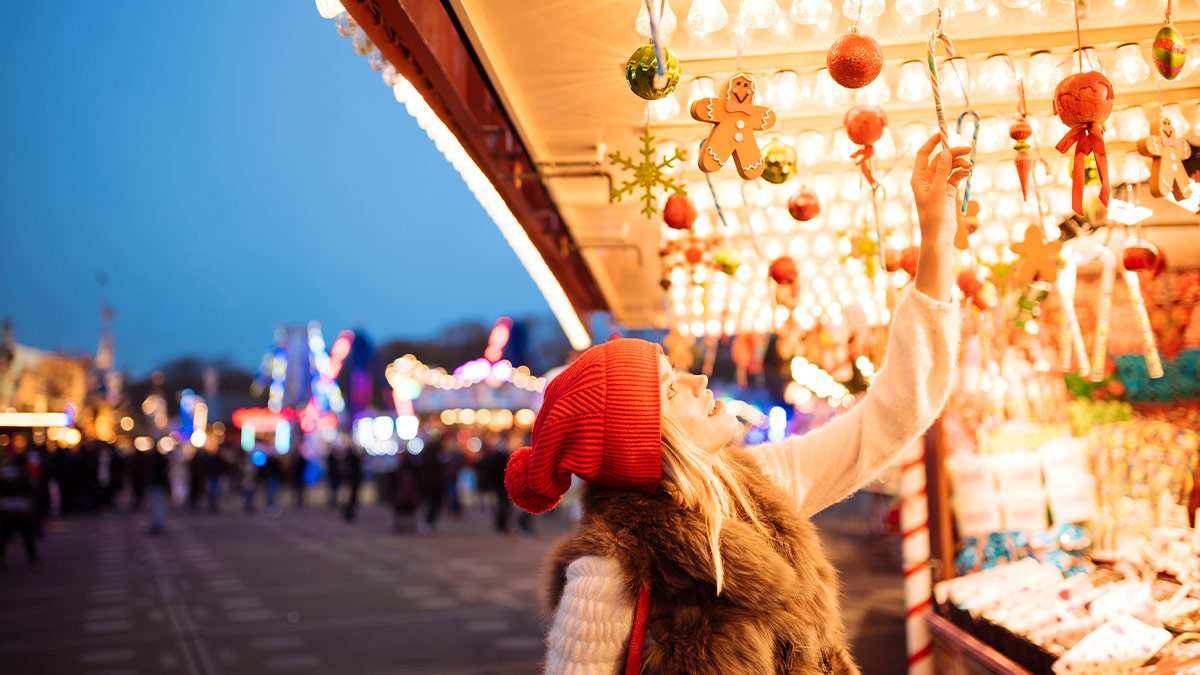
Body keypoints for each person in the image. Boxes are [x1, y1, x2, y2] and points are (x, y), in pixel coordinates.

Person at [505, 135, 970, 673]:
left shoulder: (759, 489)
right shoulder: (608, 571)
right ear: (642, 440)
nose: (699, 378)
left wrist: (936, 234)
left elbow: (897, 410)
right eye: (669, 387)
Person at [0, 450, 39, 567]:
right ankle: (32, 557)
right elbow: (32, 490)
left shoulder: (5, 473)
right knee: (26, 533)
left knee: (4, 534)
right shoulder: (24, 474)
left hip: (7, 506)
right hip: (21, 506)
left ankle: (2, 558)